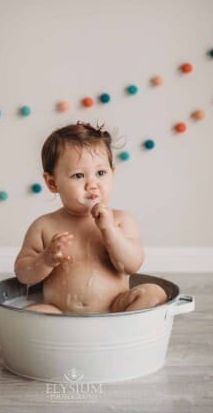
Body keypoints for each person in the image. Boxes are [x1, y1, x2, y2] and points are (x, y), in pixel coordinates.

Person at [14, 121, 167, 314]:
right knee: (34, 312)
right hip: (60, 315)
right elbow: (23, 274)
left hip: (115, 310)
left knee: (154, 293)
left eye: (101, 173)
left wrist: (109, 230)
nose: (92, 185)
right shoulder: (44, 227)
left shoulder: (121, 220)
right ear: (52, 183)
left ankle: (121, 333)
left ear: (112, 173)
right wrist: (45, 260)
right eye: (78, 176)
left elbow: (132, 265)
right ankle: (59, 338)